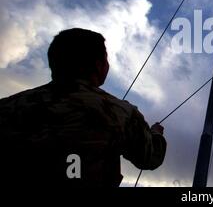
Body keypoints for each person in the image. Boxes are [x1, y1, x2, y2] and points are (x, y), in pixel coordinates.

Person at [0, 28, 166, 187]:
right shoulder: (121, 113)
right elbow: (149, 157)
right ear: (98, 65)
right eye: (106, 59)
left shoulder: (6, 106)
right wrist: (156, 134)